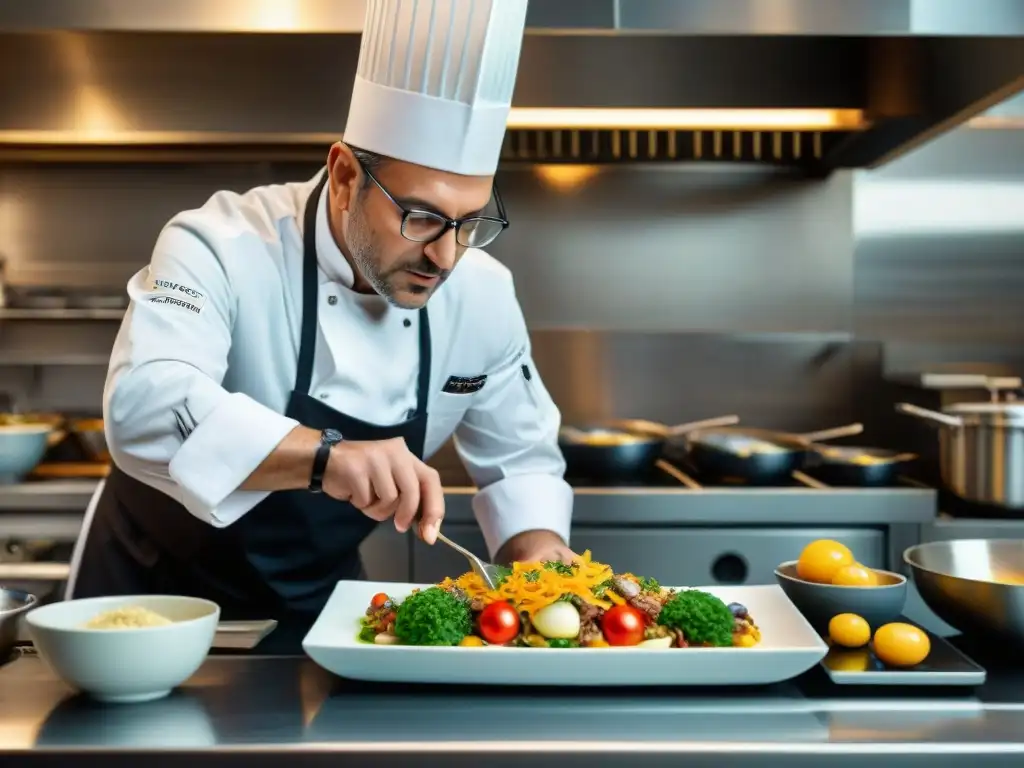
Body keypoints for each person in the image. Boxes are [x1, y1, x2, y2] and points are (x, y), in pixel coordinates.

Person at [72, 0, 575, 645]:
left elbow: (521, 460)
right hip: (148, 599)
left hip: (316, 611)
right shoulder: (220, 244)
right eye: (420, 217)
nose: (445, 256)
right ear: (343, 175)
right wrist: (326, 457)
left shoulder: (482, 292)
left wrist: (539, 554)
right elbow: (145, 406)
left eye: (470, 222)